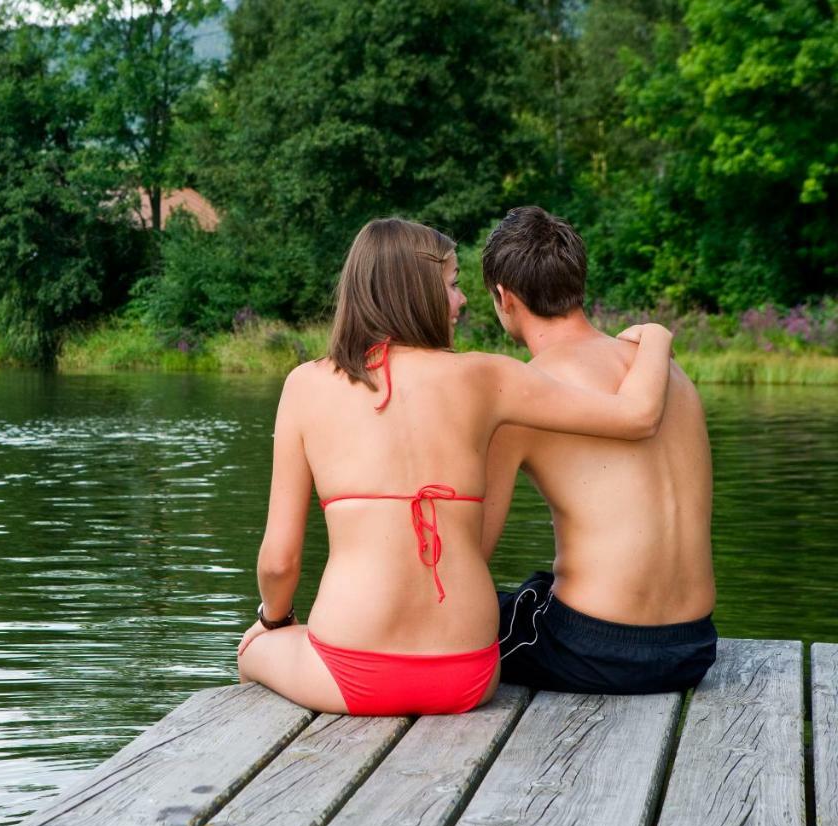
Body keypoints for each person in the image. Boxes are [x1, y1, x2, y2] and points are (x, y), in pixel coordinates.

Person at [235, 217, 676, 716]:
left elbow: (278, 562)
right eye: (452, 284)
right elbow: (638, 416)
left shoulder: (305, 385)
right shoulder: (488, 376)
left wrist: (274, 622)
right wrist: (657, 338)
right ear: (414, 290)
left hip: (351, 672)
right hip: (469, 675)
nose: (462, 299)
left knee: (253, 651)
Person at [481, 206, 717, 694]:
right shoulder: (669, 375)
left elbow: (473, 551)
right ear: (577, 281)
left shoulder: (527, 391)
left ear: (504, 297)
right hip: (694, 647)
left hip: (596, 650)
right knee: (535, 592)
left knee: (478, 616)